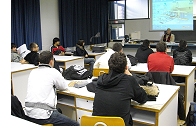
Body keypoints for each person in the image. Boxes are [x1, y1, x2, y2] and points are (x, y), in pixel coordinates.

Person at [24, 51, 79, 126]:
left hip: (28, 113)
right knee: (75, 124)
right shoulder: (53, 71)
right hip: (43, 115)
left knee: (58, 111)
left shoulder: (33, 72)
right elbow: (63, 87)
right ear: (51, 61)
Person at [92, 52, 148, 126]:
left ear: (109, 66)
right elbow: (143, 98)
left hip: (98, 125)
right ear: (126, 67)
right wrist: (130, 75)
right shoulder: (129, 80)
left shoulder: (101, 79)